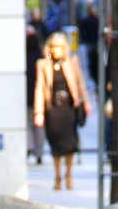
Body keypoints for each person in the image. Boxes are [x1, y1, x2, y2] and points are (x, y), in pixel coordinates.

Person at [33, 32, 91, 191]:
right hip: (52, 109)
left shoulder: (72, 62)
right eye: (53, 47)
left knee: (70, 143)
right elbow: (39, 88)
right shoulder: (43, 64)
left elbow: (80, 83)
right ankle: (58, 175)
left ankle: (69, 175)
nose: (56, 50)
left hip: (69, 108)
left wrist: (86, 102)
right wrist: (38, 112)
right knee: (55, 143)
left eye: (59, 47)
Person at [25, 28, 45, 165]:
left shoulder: (23, 58)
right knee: (38, 126)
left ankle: (30, 147)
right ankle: (39, 152)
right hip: (38, 98)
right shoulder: (41, 58)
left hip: (27, 96)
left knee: (29, 124)